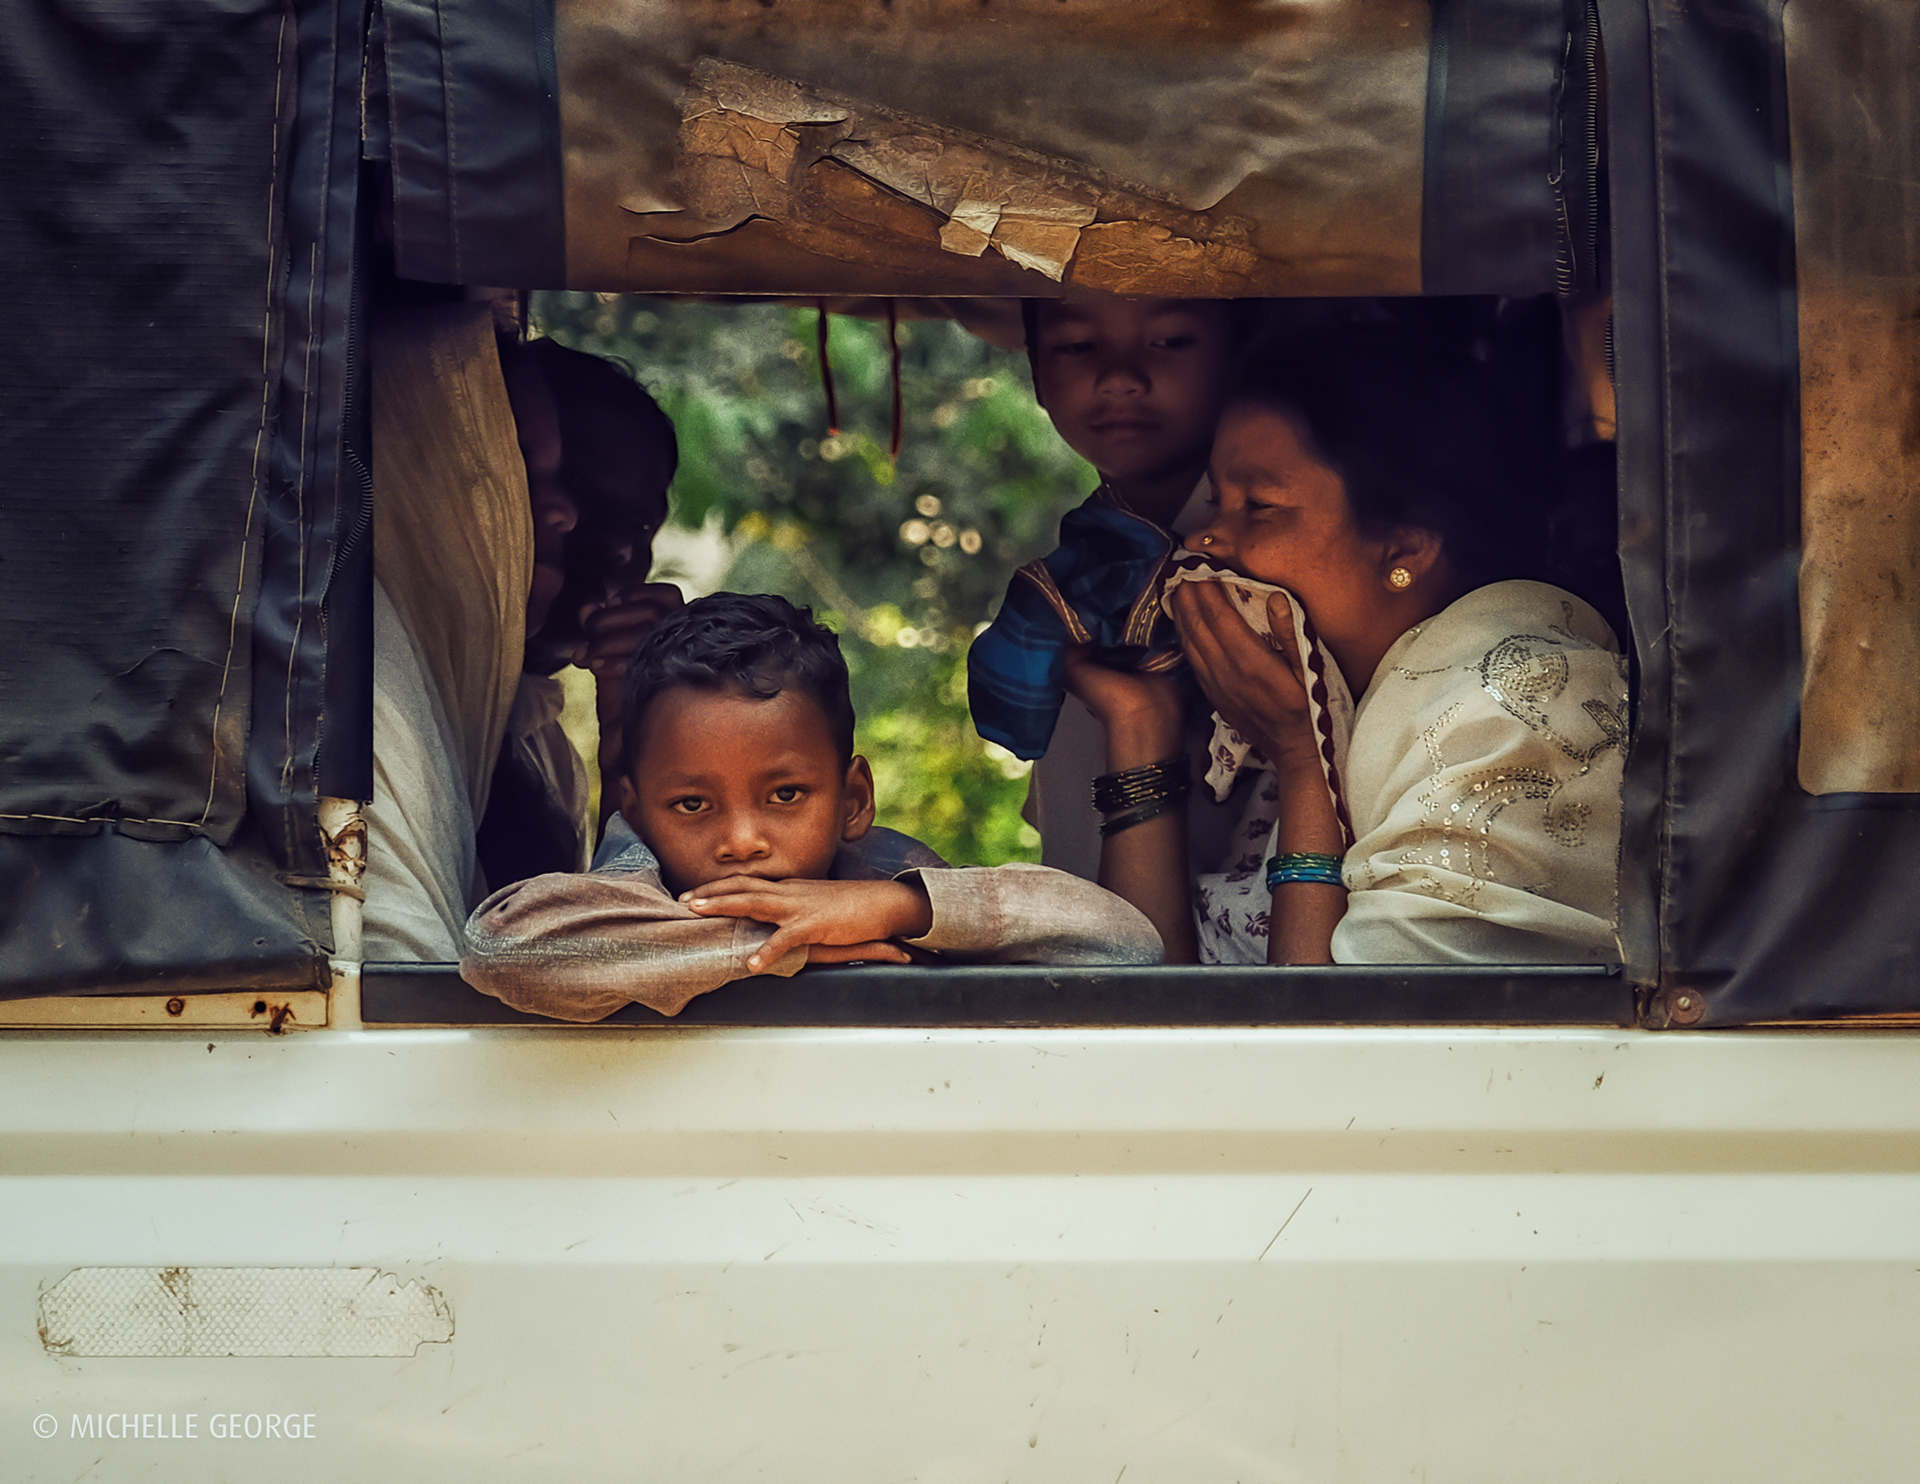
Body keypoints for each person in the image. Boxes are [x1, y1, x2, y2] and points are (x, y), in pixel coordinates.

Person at [1066, 325, 1629, 966]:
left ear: (1404, 550)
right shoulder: (1336, 712)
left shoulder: (1509, 717)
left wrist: (1305, 763)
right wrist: (1140, 724)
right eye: (1218, 502)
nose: (1203, 542)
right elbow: (1156, 1008)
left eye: (1259, 505)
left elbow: (1333, 1025)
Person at [461, 593, 1163, 1020]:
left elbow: (1128, 943)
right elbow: (499, 947)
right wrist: (771, 948)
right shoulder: (628, 894)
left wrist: (901, 909)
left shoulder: (879, 880)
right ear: (638, 815)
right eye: (692, 804)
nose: (741, 840)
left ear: (853, 799)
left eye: (785, 795)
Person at [362, 305, 681, 960]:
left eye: (642, 524)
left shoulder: (535, 742)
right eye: (561, 481)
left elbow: (597, 959)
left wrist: (639, 735)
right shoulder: (364, 690)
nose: (573, 521)